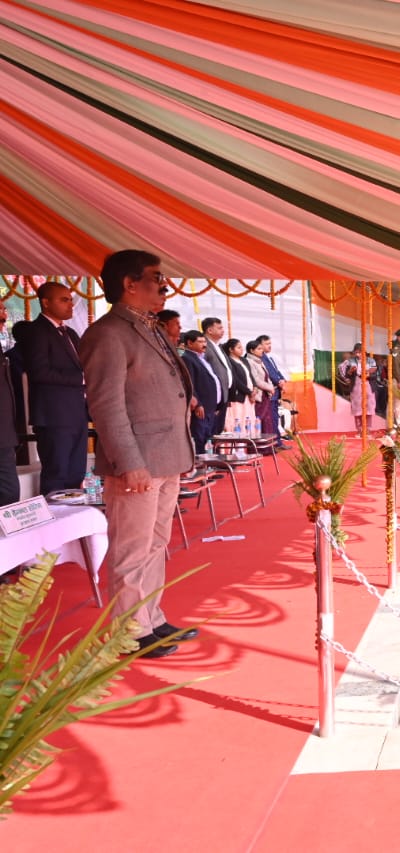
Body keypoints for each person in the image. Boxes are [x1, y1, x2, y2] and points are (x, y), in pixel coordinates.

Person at [80, 249, 198, 659]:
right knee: (131, 549)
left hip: (167, 455)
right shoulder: (107, 333)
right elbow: (106, 406)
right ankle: (129, 633)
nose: (165, 286)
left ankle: (152, 618)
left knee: (155, 544)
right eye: (156, 278)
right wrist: (130, 462)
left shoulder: (147, 326)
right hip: (139, 461)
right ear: (129, 284)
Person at [16, 281, 88, 494]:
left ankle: (75, 513)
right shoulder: (36, 331)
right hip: (53, 415)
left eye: (71, 300)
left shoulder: (70, 333)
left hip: (76, 413)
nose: (70, 305)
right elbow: (39, 372)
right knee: (57, 473)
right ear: (46, 303)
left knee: (76, 473)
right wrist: (81, 379)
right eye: (64, 300)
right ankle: (54, 513)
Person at [180, 330, 221, 452]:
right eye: (200, 342)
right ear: (189, 343)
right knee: (199, 438)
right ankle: (200, 462)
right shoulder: (187, 358)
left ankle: (208, 461)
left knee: (208, 439)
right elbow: (189, 383)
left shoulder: (201, 358)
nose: (204, 345)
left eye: (205, 342)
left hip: (210, 406)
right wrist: (198, 404)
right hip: (201, 407)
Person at [0, 303, 20, 505]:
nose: (4, 316)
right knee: (8, 493)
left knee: (10, 496)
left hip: (5, 433)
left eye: (4, 310)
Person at [200, 317, 232, 434]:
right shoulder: (204, 345)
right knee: (211, 430)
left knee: (218, 429)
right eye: (219, 328)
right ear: (209, 330)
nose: (223, 330)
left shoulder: (217, 346)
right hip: (213, 395)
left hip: (224, 393)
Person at [338, 343, 378, 434]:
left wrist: (369, 374)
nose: (358, 354)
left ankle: (368, 429)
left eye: (359, 352)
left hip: (368, 386)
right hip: (356, 386)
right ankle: (359, 430)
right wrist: (350, 371)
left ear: (364, 352)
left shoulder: (371, 361)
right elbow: (347, 375)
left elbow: (375, 375)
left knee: (368, 408)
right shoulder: (351, 361)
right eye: (356, 352)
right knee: (357, 409)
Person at [245, 338, 276, 435]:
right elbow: (256, 380)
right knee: (259, 419)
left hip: (265, 395)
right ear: (251, 350)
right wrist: (270, 388)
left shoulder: (259, 361)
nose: (262, 351)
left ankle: (268, 443)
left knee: (267, 420)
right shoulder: (249, 361)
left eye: (262, 349)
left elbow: (267, 377)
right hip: (258, 396)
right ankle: (259, 443)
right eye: (259, 349)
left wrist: (271, 387)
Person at [223, 338, 254, 431]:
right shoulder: (229, 361)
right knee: (239, 419)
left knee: (249, 419)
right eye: (238, 347)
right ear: (231, 349)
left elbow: (250, 375)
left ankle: (249, 437)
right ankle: (239, 438)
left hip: (250, 396)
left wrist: (255, 388)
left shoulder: (244, 360)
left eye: (242, 347)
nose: (242, 349)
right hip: (239, 395)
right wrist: (248, 392)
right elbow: (235, 380)